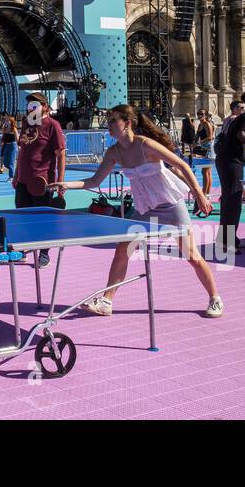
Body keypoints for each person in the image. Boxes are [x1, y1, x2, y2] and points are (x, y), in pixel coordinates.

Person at [51, 104, 221, 318]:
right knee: (123, 249)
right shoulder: (114, 152)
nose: (109, 125)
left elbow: (182, 165)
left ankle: (215, 298)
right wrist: (66, 184)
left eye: (114, 120)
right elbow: (94, 180)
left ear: (128, 123)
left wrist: (200, 195)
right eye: (108, 120)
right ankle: (106, 301)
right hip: (146, 207)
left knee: (191, 255)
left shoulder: (146, 145)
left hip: (170, 204)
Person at [13, 91, 67, 268]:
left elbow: (61, 154)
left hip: (43, 182)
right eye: (29, 105)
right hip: (24, 180)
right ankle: (22, 250)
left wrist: (60, 181)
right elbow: (22, 151)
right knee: (22, 218)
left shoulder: (53, 125)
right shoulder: (27, 123)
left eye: (35, 105)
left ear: (44, 106)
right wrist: (16, 176)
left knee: (43, 221)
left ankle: (44, 253)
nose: (31, 108)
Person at [214, 91, 245, 255]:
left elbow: (236, 144)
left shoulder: (239, 118)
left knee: (228, 202)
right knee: (234, 203)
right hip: (231, 164)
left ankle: (227, 240)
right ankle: (228, 243)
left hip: (226, 160)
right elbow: (241, 135)